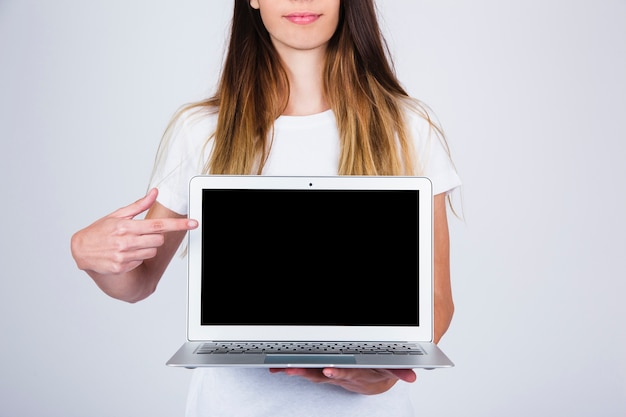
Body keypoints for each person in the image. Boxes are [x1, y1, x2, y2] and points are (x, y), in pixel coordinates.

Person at [70, 0, 462, 416]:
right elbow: (138, 283)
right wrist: (89, 255)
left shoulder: (408, 125)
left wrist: (379, 372)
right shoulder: (203, 131)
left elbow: (437, 298)